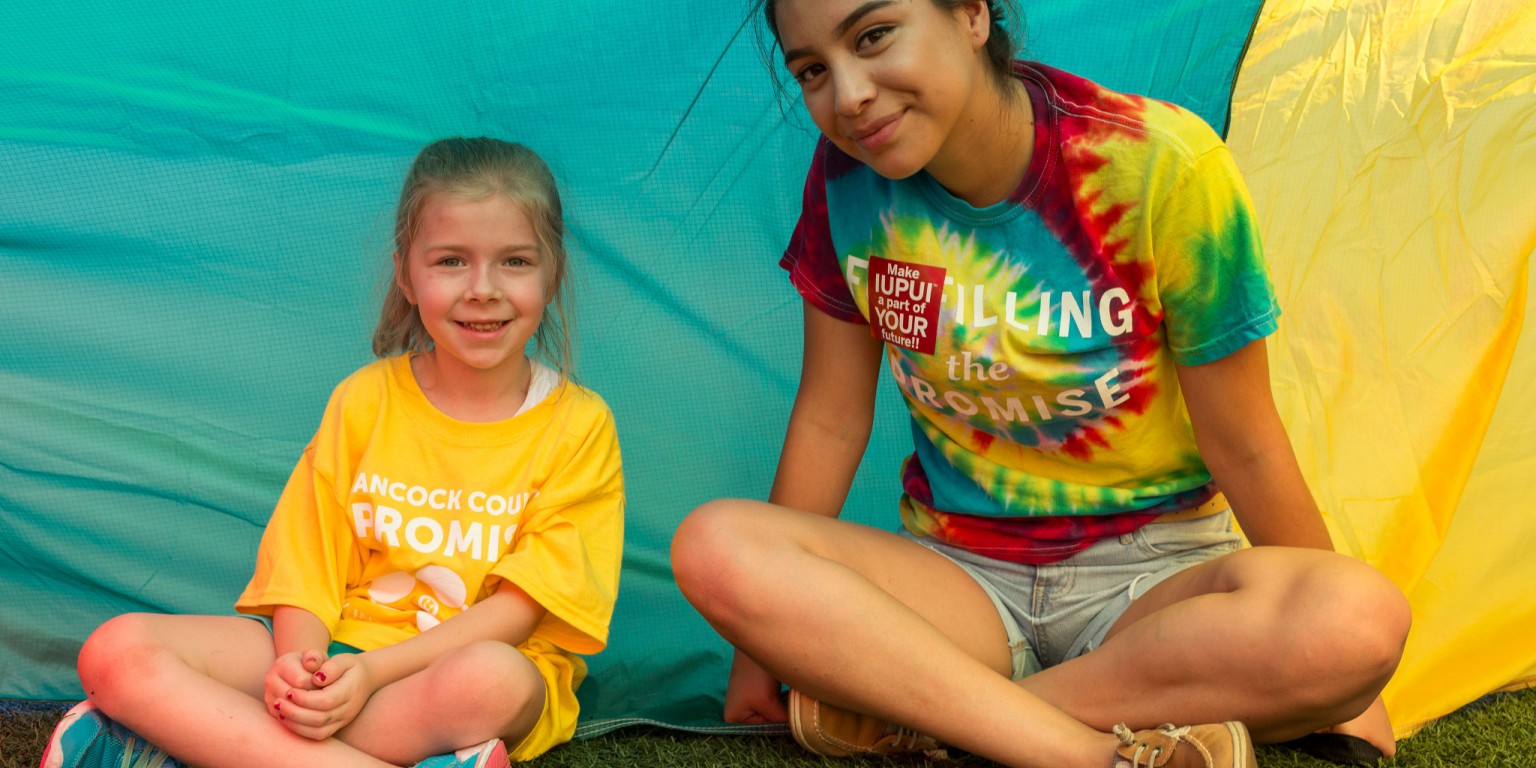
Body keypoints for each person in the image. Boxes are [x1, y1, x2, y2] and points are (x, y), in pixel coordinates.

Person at [670, 2, 1410, 767]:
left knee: (1357, 618)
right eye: (812, 71)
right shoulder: (845, 184)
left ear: (971, 15)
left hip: (1154, 577)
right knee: (715, 548)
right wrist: (758, 655)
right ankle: (1090, 753)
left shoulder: (1160, 163)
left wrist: (1360, 693)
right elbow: (831, 416)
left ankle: (945, 723)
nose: (848, 94)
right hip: (958, 578)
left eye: (873, 35)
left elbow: (1244, 441)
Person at [44, 137, 625, 768]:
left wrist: (372, 674)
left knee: (494, 677)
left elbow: (516, 614)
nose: (482, 289)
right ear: (406, 272)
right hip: (334, 651)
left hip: (448, 676)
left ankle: (185, 743)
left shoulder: (579, 425)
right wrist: (301, 667)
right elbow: (307, 562)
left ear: (554, 272)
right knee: (114, 648)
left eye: (514, 262)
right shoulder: (363, 399)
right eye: (452, 261)